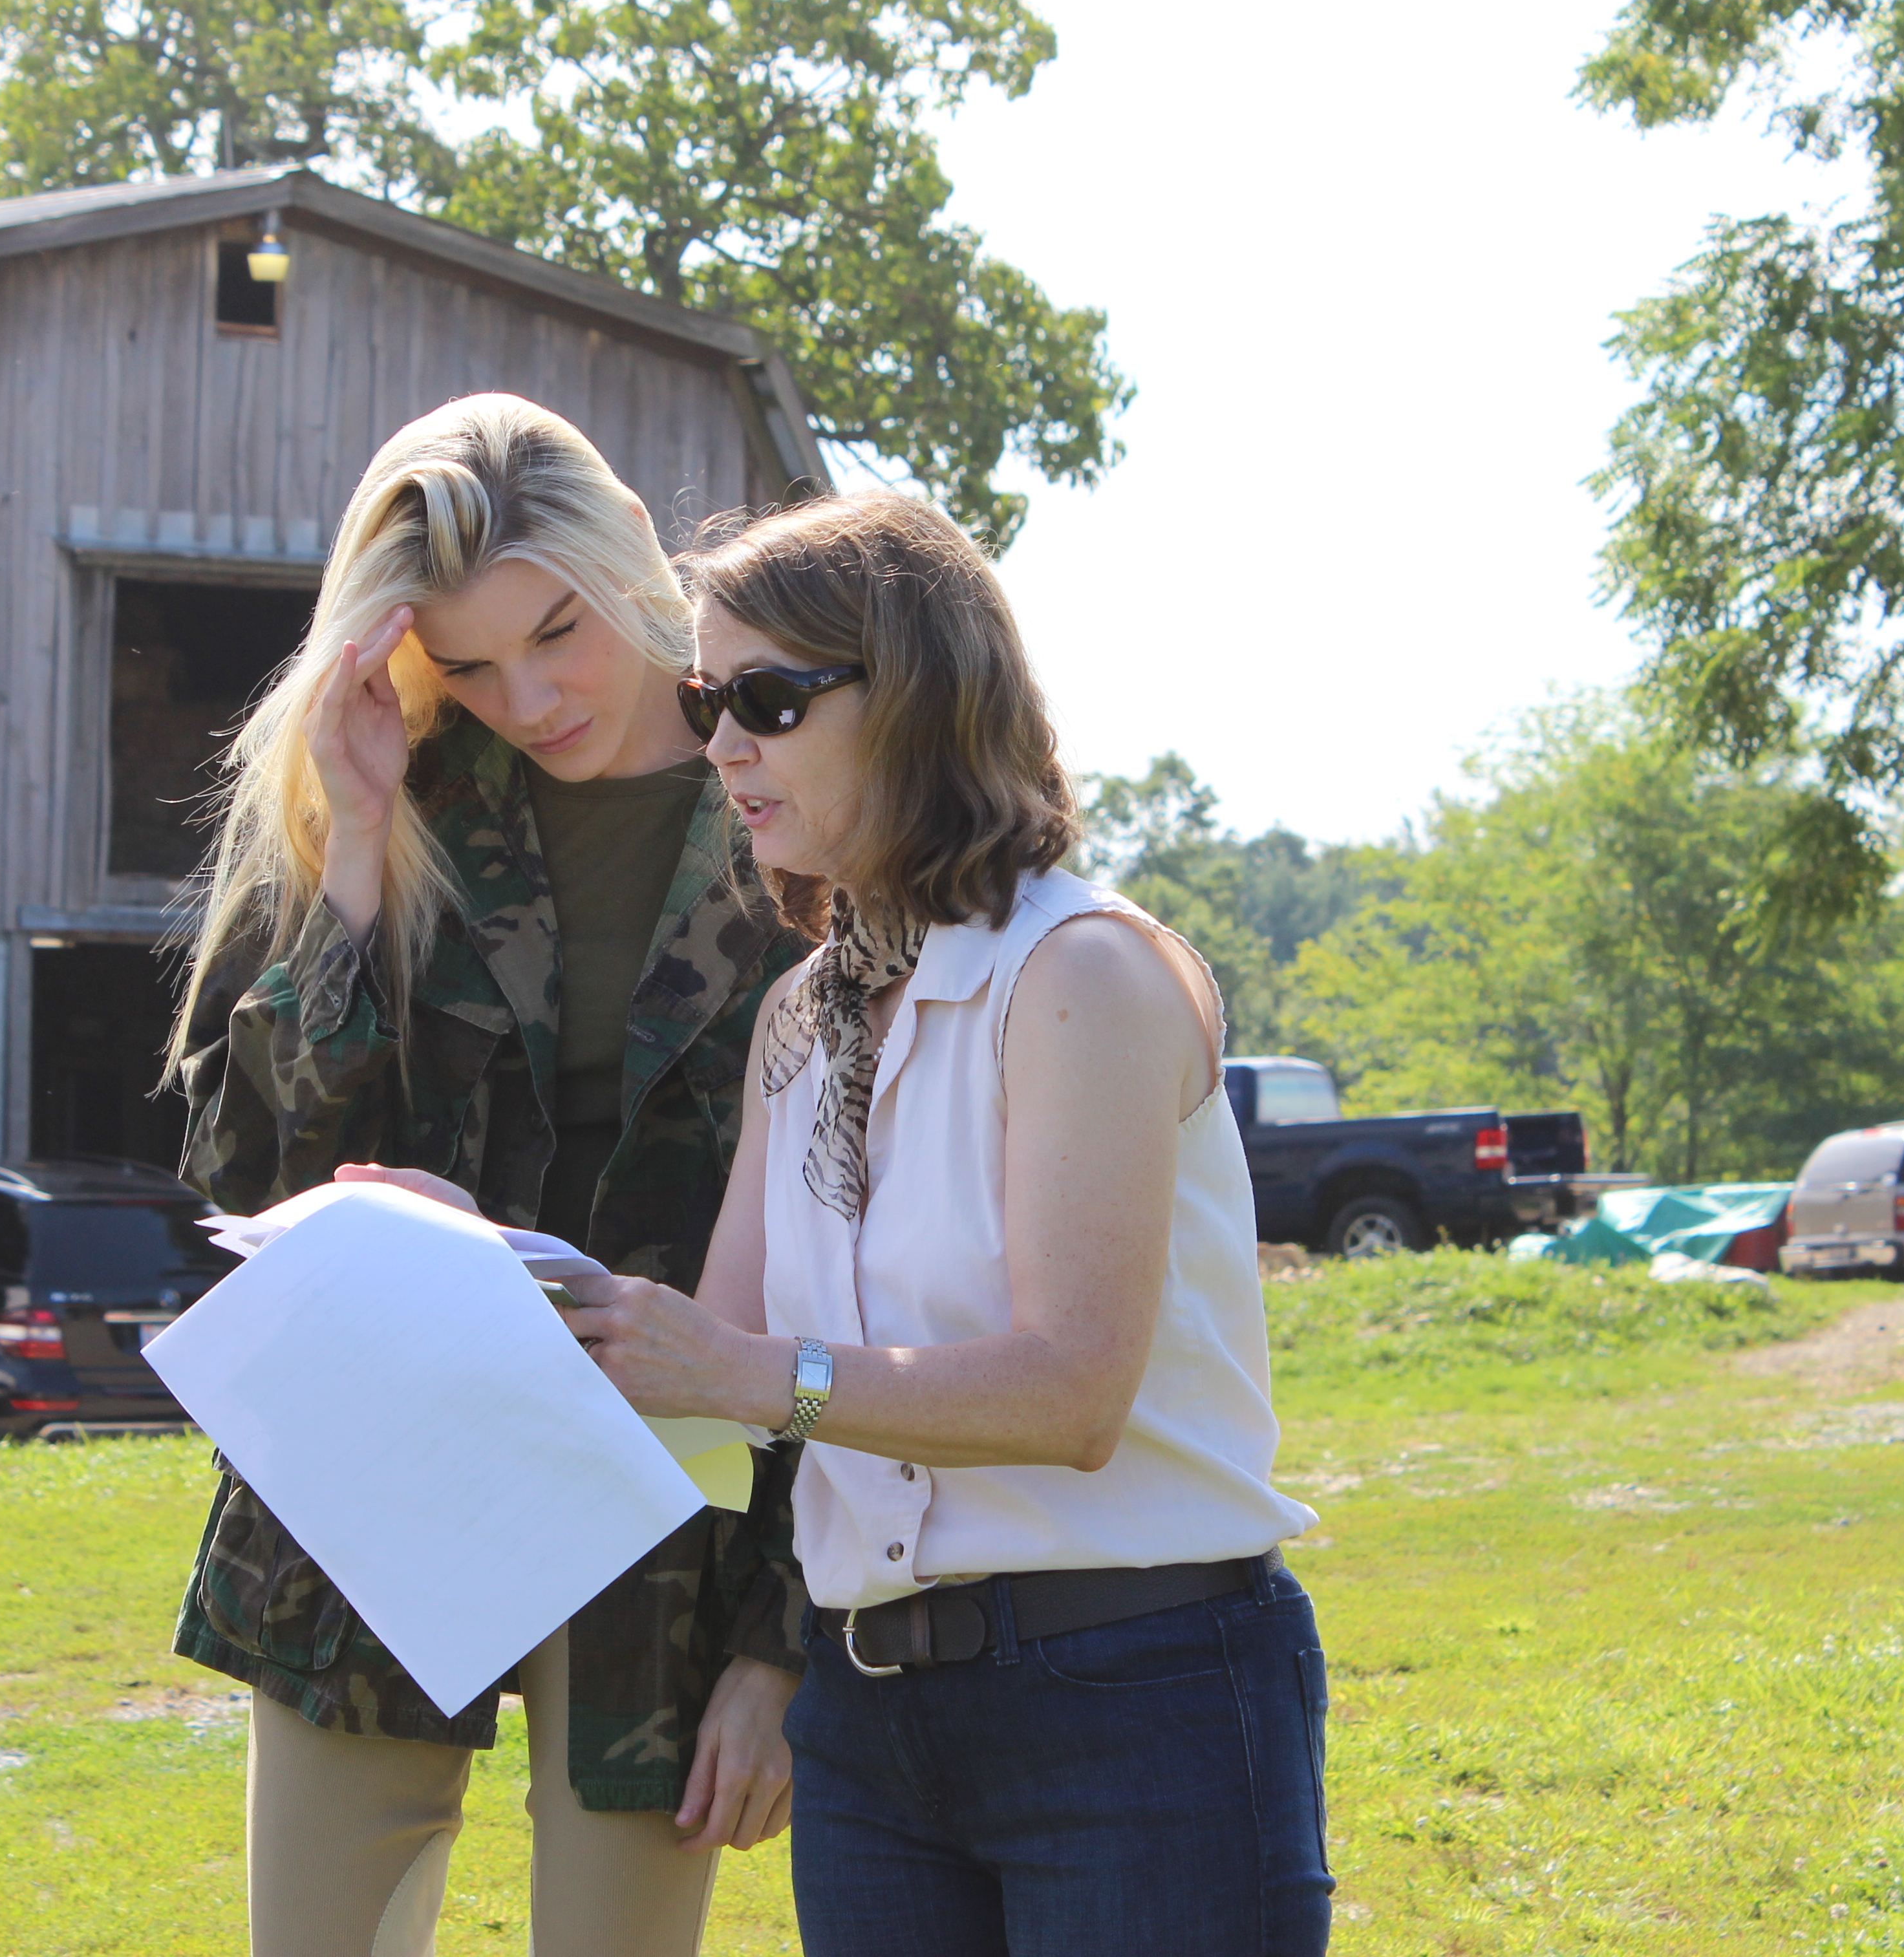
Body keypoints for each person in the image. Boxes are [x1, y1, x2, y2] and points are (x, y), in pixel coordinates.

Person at [552, 490, 1336, 1956]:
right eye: (706, 699)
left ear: (915, 698)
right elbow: (700, 1359)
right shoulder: (797, 1012)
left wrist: (743, 1378)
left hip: (1137, 1695)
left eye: (768, 700)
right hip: (868, 1727)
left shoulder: (1087, 976)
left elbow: (1072, 1391)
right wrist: (447, 1256)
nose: (721, 745)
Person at [165, 394, 809, 1957]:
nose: (525, 695)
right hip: (381, 1473)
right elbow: (250, 1178)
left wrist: (785, 1650)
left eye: (558, 631)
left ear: (636, 552)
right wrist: (362, 852)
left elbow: (873, 1242)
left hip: (678, 1508)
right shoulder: (394, 793)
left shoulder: (798, 793)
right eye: (465, 660)